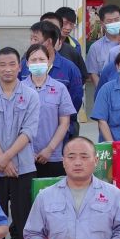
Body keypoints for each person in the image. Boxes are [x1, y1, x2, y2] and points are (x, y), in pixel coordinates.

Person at [0, 47, 41, 239]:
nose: (7, 69)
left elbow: (28, 132)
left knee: (24, 219)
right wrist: (2, 160)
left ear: (20, 67)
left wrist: (6, 158)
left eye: (12, 64)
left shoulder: (31, 95)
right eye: (2, 65)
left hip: (23, 167)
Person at [21, 43, 76, 182]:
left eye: (41, 59)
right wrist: (27, 151)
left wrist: (49, 149)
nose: (37, 63)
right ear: (27, 63)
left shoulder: (60, 88)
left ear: (49, 62)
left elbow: (64, 123)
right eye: (33, 60)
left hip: (53, 155)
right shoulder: (19, 89)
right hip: (24, 156)